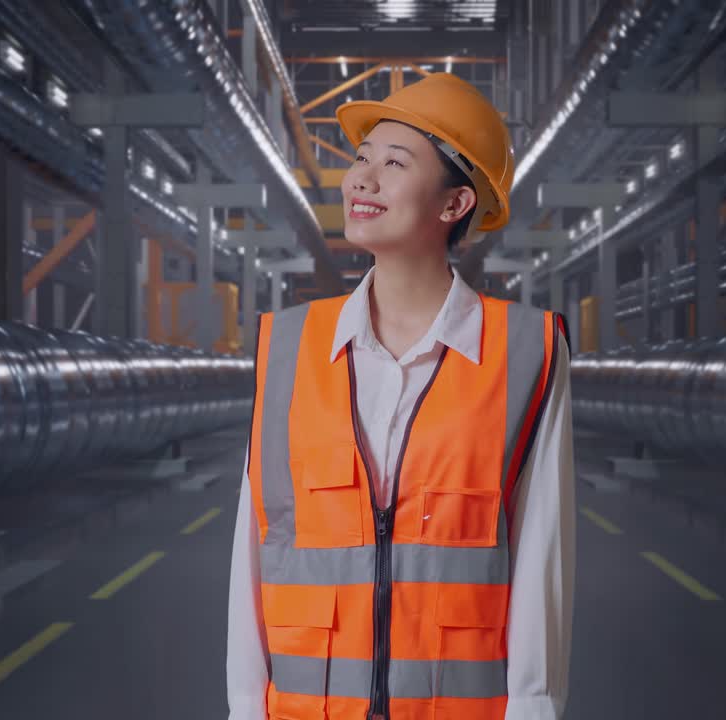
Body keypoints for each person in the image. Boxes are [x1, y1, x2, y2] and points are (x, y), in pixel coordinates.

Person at [227, 72, 575, 720]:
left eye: (395, 162)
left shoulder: (524, 351)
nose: (362, 179)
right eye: (361, 160)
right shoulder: (290, 348)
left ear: (454, 205)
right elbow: (255, 549)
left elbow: (541, 559)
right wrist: (244, 711)